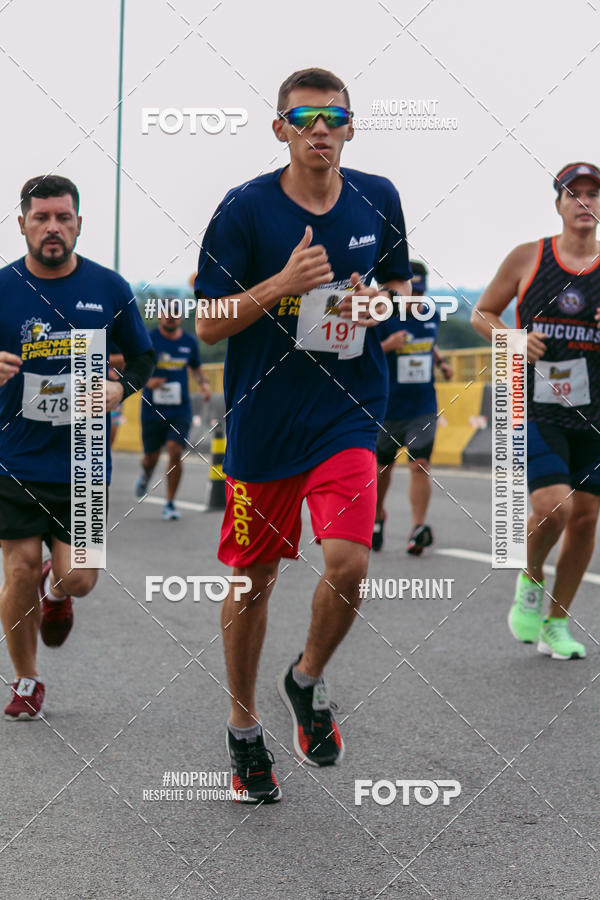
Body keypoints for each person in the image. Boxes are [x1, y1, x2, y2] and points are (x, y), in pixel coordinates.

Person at [195, 67, 412, 803]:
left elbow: (399, 288)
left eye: (334, 117)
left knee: (348, 562)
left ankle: (306, 678)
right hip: (262, 424)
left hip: (347, 411)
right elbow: (207, 324)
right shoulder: (245, 209)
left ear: (351, 127)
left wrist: (380, 304)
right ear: (281, 128)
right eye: (305, 117)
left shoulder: (378, 197)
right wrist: (281, 285)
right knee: (253, 580)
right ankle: (243, 728)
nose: (320, 128)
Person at [0, 175, 154, 720]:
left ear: (79, 225)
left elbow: (143, 357)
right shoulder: (3, 287)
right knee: (19, 568)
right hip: (14, 458)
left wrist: (120, 387)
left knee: (80, 579)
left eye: (63, 218)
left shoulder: (109, 287)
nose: (52, 228)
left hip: (84, 460)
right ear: (22, 223)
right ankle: (26, 679)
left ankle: (58, 593)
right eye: (41, 217)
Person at [472, 162, 600, 660]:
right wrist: (513, 340)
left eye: (593, 193)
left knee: (586, 518)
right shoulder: (530, 257)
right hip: (534, 405)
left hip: (594, 411)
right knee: (554, 508)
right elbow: (482, 312)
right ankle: (530, 578)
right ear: (558, 204)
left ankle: (557, 622)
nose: (584, 202)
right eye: (574, 193)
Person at [372, 261, 453, 554]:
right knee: (382, 467)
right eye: (411, 294)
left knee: (420, 464)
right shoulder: (381, 317)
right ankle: (377, 515)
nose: (415, 300)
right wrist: (388, 345)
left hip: (422, 406)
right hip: (387, 407)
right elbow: (363, 355)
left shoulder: (431, 314)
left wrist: (441, 363)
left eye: (419, 294)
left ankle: (418, 527)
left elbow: (427, 342)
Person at [135, 303, 211, 520]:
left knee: (175, 450)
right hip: (152, 409)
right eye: (167, 313)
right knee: (151, 457)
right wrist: (147, 382)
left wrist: (204, 384)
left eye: (176, 314)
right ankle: (146, 474)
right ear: (159, 316)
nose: (171, 317)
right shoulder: (148, 339)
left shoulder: (189, 341)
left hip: (180, 408)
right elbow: (134, 364)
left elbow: (196, 366)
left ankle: (170, 503)